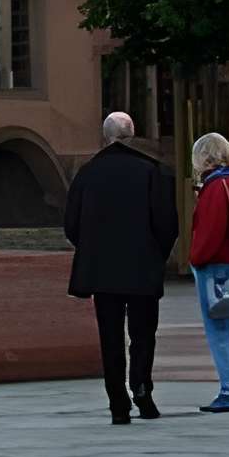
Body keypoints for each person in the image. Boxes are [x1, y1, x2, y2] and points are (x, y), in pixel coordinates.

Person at [61, 109, 177, 424]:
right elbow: (167, 224)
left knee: (110, 336)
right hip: (142, 265)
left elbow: (71, 224)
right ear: (132, 135)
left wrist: (93, 250)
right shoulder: (153, 171)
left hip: (103, 270)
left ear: (106, 137)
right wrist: (156, 255)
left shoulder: (87, 173)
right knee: (143, 333)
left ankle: (117, 403)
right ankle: (141, 387)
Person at [189, 131, 229, 414]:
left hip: (214, 265)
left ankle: (228, 390)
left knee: (217, 329)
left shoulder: (216, 186)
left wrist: (195, 258)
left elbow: (210, 232)